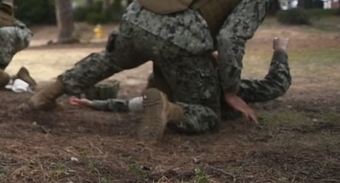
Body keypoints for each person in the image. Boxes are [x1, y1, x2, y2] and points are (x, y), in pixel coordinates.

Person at [29, 0, 278, 141]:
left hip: (134, 19)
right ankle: (167, 109)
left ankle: (46, 95)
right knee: (208, 113)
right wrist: (231, 90)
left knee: (108, 60)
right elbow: (230, 38)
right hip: (179, 39)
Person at [69, 37, 291, 126]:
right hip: (191, 106)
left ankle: (169, 110)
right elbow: (275, 85)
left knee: (160, 103)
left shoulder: (168, 82)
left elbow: (133, 104)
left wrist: (94, 103)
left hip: (170, 94)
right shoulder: (224, 85)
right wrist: (280, 50)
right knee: (207, 116)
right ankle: (171, 111)